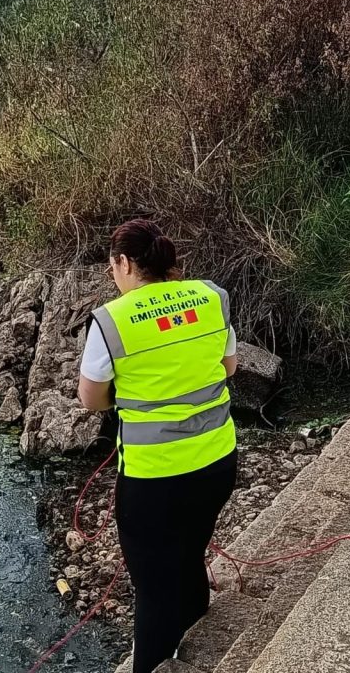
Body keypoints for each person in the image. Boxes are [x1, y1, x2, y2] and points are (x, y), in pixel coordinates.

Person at [78, 219, 238, 673]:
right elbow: (228, 367)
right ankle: (197, 641)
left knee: (151, 588)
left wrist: (130, 396)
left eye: (113, 266)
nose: (113, 275)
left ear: (125, 263)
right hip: (217, 464)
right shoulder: (211, 297)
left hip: (154, 479)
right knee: (190, 554)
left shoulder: (113, 321)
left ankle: (152, 665)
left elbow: (91, 398)